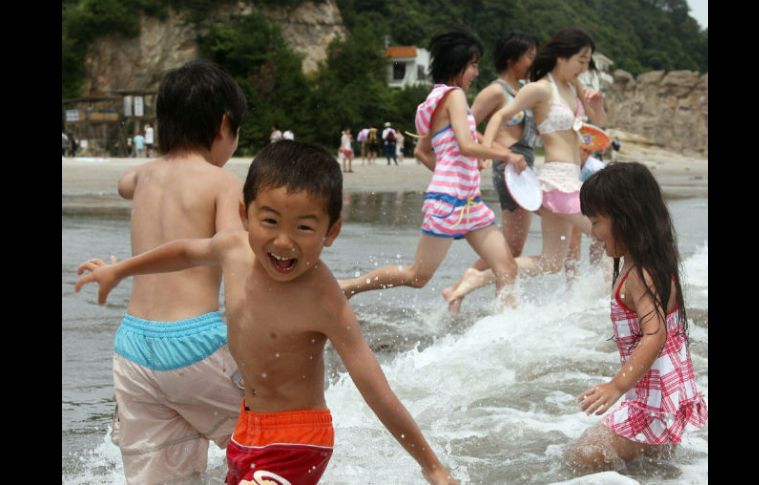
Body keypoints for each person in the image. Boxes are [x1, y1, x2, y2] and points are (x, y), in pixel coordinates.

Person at [75, 141, 459, 485]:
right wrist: (120, 270)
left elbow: (374, 386)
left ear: (332, 232)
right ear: (245, 215)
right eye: (270, 221)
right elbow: (184, 252)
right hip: (247, 430)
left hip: (299, 441)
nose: (283, 242)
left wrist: (431, 466)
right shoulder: (233, 249)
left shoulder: (324, 300)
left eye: (304, 227)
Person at [73, 59, 248, 484]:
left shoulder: (144, 177)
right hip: (194, 343)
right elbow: (230, 248)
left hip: (134, 347)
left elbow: (124, 183)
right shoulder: (223, 182)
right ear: (224, 125)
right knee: (269, 441)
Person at [339, 31, 525, 305]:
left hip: (468, 201)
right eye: (473, 64)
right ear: (457, 64)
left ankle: (507, 327)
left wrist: (454, 170)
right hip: (449, 201)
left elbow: (422, 151)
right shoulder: (455, 96)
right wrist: (506, 156)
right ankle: (348, 286)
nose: (476, 71)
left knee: (507, 267)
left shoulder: (436, 98)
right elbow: (464, 145)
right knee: (418, 276)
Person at [441, 27, 607, 309]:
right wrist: (487, 152)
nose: (583, 67)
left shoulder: (574, 88)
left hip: (572, 181)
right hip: (556, 184)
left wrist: (596, 104)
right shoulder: (541, 88)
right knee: (608, 234)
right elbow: (500, 116)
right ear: (561, 57)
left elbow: (599, 125)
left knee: (552, 262)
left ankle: (473, 279)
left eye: (587, 61)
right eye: (581, 59)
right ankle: (604, 305)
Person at [564, 161, 708, 472]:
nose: (593, 230)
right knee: (652, 469)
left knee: (580, 457)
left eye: (597, 221)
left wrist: (616, 386)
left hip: (652, 402)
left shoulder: (640, 276)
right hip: (666, 393)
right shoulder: (653, 263)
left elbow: (655, 335)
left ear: (627, 218)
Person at [441, 32, 538, 313]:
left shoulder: (522, 90)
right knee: (512, 248)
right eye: (529, 55)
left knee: (511, 248)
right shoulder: (496, 91)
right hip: (509, 168)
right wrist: (500, 152)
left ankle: (468, 291)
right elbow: (469, 126)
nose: (533, 61)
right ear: (512, 58)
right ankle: (484, 297)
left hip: (524, 166)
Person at [565, 145, 607, 278]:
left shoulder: (597, 168)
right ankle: (571, 281)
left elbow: (607, 192)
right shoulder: (567, 167)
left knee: (599, 240)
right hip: (575, 204)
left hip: (597, 204)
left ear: (588, 152)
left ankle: (596, 273)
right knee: (572, 239)